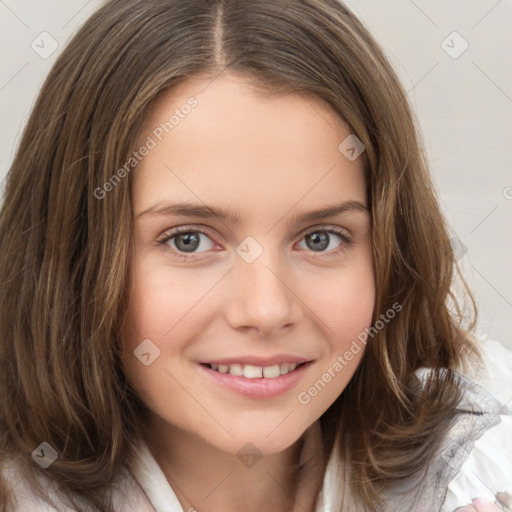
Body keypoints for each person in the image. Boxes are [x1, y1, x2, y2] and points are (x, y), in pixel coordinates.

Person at [0, 1, 510, 511]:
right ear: (74, 254)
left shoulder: (491, 447)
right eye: (189, 240)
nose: (266, 310)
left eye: (320, 238)